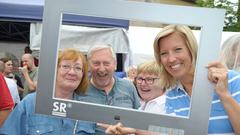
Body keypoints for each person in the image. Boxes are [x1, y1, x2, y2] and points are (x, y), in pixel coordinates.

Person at [104, 25, 240, 135]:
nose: (171, 59)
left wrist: (224, 95)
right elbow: (173, 133)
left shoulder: (230, 79)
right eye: (164, 53)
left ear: (191, 49)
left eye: (178, 49)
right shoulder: (172, 94)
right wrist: (134, 129)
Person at [0, 48, 97, 134]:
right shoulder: (31, 103)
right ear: (54, 70)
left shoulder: (87, 109)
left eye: (78, 68)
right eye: (66, 66)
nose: (72, 72)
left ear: (83, 75)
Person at [80, 44, 140, 134]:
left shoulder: (128, 86)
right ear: (88, 65)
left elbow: (139, 121)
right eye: (96, 63)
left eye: (106, 63)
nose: (101, 69)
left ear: (115, 65)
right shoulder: (80, 89)